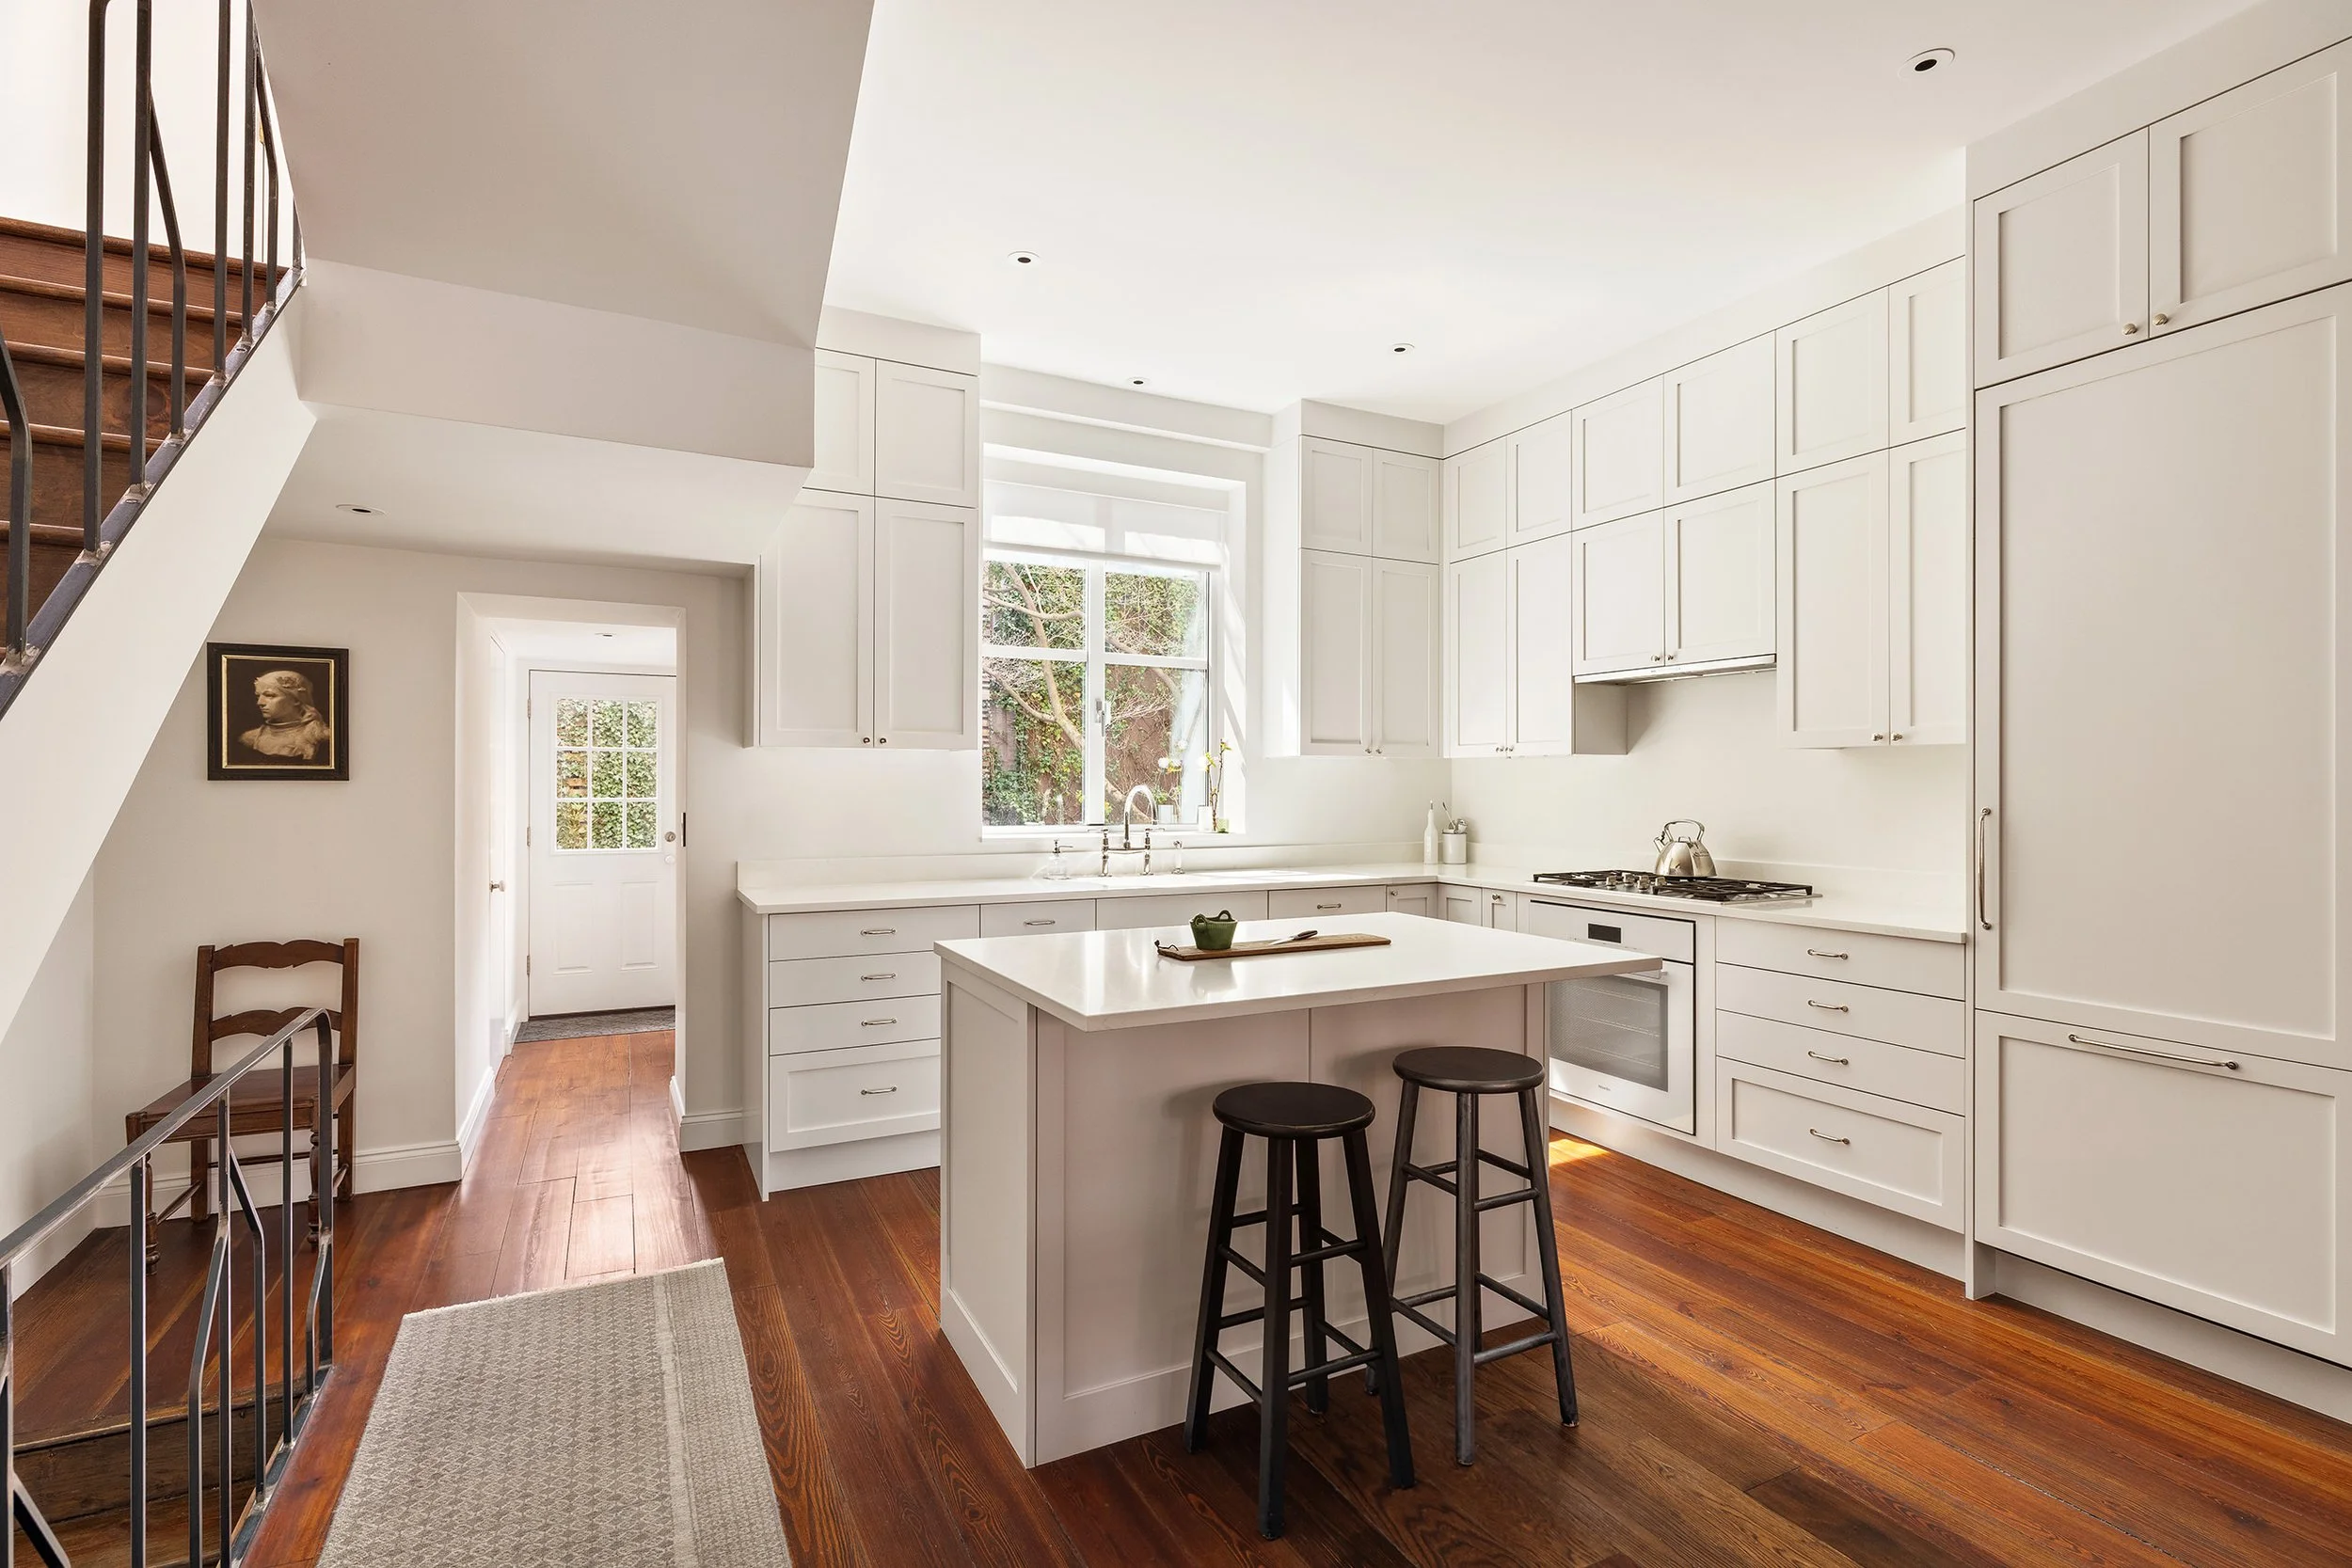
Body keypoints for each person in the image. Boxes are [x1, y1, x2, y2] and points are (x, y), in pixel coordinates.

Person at [240, 668, 333, 761]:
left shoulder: (321, 738)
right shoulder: (252, 738)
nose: (260, 702)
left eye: (270, 695)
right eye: (258, 696)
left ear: (296, 700)